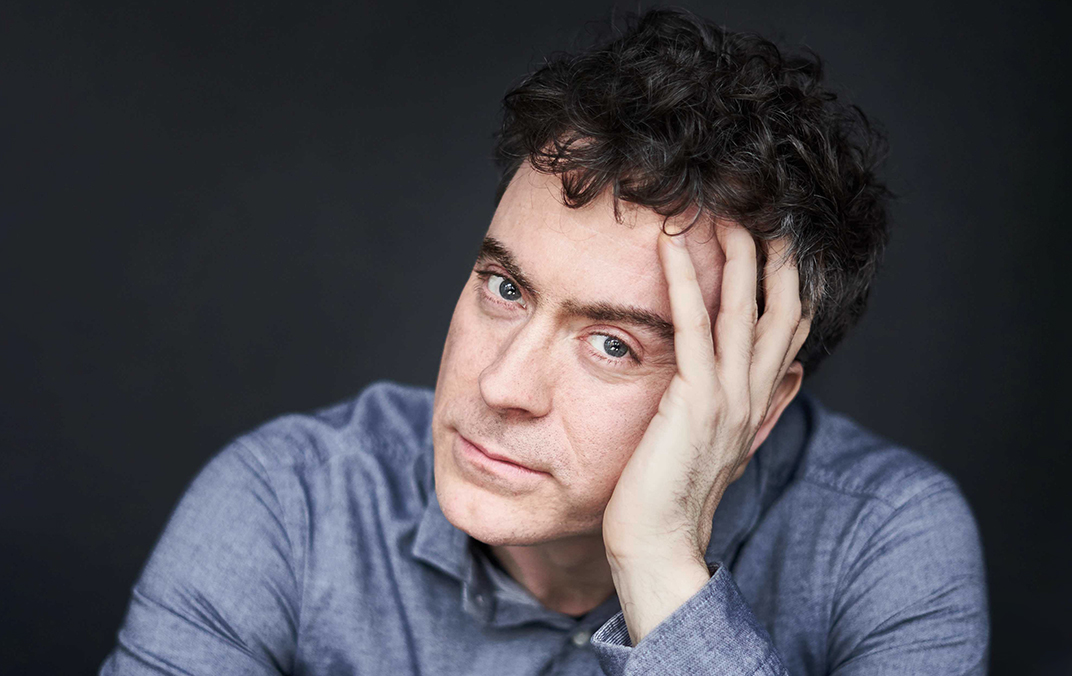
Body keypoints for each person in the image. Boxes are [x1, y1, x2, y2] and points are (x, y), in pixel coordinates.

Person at [100, 8, 989, 675]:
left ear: (757, 404)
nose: (502, 386)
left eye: (614, 344)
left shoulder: (883, 541)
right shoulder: (288, 503)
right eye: (506, 288)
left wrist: (661, 565)